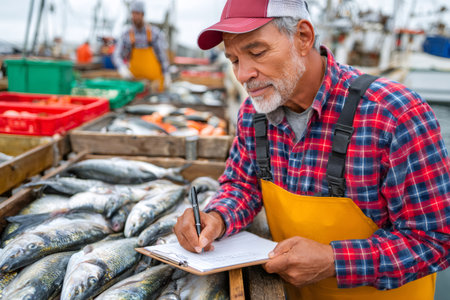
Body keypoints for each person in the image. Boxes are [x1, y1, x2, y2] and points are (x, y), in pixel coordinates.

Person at [173, 0, 450, 299]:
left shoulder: (394, 114)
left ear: (303, 37)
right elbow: (242, 185)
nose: (242, 75)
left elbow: (435, 239)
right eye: (234, 60)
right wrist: (216, 218)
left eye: (256, 52)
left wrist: (334, 261)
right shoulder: (252, 115)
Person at [112, 0, 170, 91]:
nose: (135, 17)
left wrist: (166, 74)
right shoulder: (126, 34)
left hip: (154, 82)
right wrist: (122, 68)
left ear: (143, 14)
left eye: (137, 13)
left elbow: (162, 56)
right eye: (133, 14)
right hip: (135, 83)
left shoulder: (155, 33)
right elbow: (117, 55)